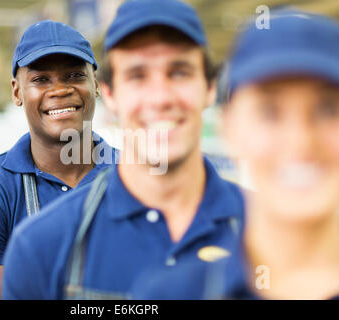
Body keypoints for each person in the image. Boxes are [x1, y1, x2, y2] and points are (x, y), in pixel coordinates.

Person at [1, 0, 245, 300]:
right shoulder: (42, 248)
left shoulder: (278, 231)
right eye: (137, 76)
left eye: (179, 72)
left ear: (210, 86)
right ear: (110, 94)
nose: (160, 98)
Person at [131, 9, 339, 300]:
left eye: (328, 109)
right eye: (270, 112)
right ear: (229, 128)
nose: (300, 142)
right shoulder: (168, 294)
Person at [0, 20, 117, 299]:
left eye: (74, 75)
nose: (60, 90)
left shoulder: (138, 178)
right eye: (41, 79)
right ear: (17, 92)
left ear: (95, 84)